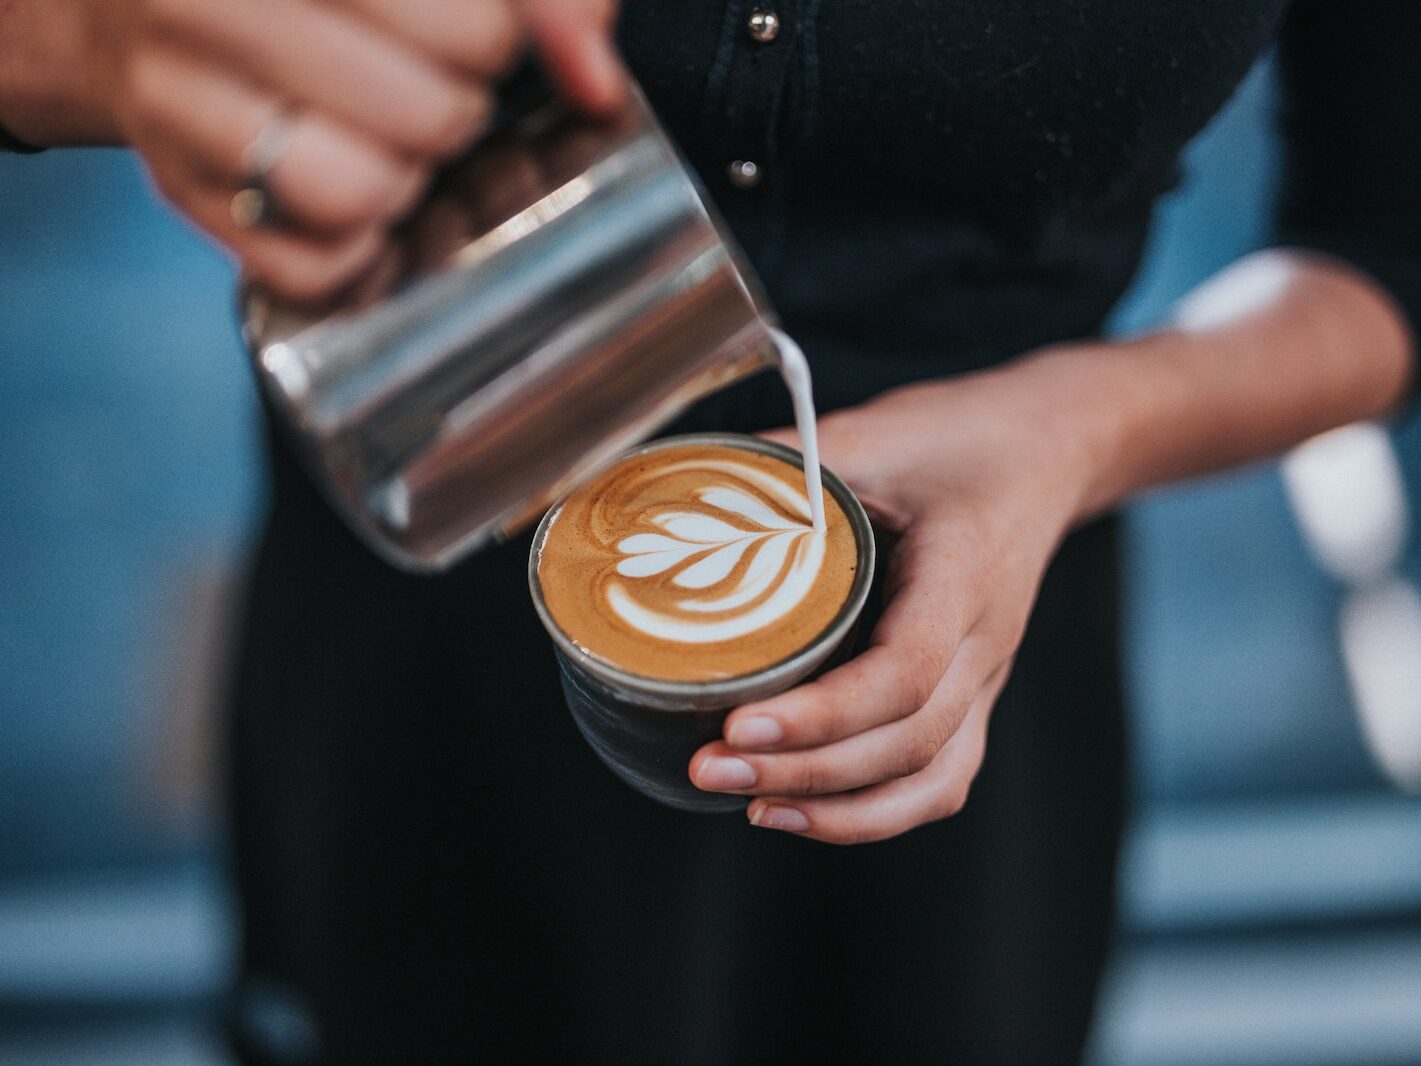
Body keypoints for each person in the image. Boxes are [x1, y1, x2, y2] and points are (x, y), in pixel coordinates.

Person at [3, 1, 1416, 1062]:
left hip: (976, 645)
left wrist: (1070, 430)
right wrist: (84, 42)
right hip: (418, 599)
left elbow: (1384, 251)